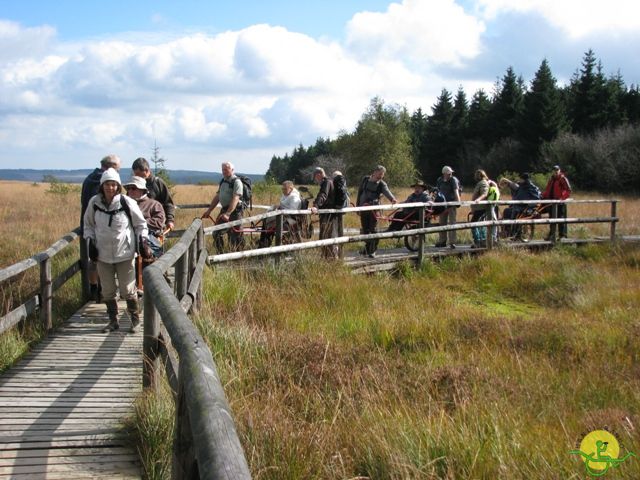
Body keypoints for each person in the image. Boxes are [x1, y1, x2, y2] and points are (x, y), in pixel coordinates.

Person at [83, 168, 151, 333]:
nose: (110, 188)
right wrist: (90, 242)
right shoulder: (94, 203)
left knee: (128, 290)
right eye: (107, 184)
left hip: (124, 254)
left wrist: (143, 241)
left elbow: (141, 224)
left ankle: (135, 321)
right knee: (108, 291)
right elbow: (88, 226)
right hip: (102, 254)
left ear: (118, 186)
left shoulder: (126, 202)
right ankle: (113, 321)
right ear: (102, 185)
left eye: (113, 184)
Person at [80, 154, 121, 302]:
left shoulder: (89, 178)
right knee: (100, 260)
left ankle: (95, 290)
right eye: (118, 169)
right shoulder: (100, 181)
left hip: (88, 225)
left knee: (93, 260)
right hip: (98, 227)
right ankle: (100, 291)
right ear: (111, 168)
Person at [202, 162, 245, 253]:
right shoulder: (223, 181)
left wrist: (228, 213)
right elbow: (218, 196)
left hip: (235, 211)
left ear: (232, 170)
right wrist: (209, 210)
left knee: (235, 235)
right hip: (224, 210)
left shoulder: (237, 182)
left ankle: (237, 257)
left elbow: (236, 198)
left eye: (226, 169)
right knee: (216, 232)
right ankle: (220, 254)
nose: (224, 171)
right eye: (223, 169)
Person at [356, 165, 397, 257]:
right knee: (365, 230)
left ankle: (373, 250)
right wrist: (358, 207)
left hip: (374, 210)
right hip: (363, 208)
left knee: (373, 229)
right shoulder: (365, 179)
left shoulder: (382, 184)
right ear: (374, 172)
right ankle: (367, 249)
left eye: (382, 175)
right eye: (379, 174)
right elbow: (360, 193)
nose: (381, 176)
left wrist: (392, 199)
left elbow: (387, 192)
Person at [123, 176, 166, 257]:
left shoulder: (154, 204)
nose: (130, 191)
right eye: (128, 188)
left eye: (133, 188)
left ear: (142, 190)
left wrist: (139, 223)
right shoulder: (123, 204)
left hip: (148, 237)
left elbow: (159, 222)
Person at [132, 157, 176, 231]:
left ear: (146, 171)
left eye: (138, 174)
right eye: (135, 174)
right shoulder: (133, 186)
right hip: (136, 227)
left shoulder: (158, 183)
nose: (136, 177)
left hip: (155, 227)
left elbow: (168, 203)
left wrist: (170, 220)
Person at [258, 180, 302, 248]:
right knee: (266, 220)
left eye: (285, 189)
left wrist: (281, 210)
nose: (283, 190)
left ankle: (264, 245)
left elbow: (292, 211)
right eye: (282, 189)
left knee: (269, 224)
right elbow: (283, 205)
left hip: (289, 219)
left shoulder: (294, 197)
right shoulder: (286, 195)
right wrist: (278, 207)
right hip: (282, 216)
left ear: (291, 188)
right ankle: (263, 244)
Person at [499, 172, 541, 238]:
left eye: (521, 179)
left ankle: (515, 233)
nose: (520, 180)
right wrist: (506, 181)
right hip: (518, 205)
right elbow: (513, 186)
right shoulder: (521, 185)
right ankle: (507, 231)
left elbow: (536, 198)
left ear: (523, 179)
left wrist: (530, 205)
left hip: (525, 207)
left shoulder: (531, 187)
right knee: (507, 211)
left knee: (515, 213)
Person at [310, 167, 338, 259]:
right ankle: (328, 256)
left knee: (327, 235)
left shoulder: (326, 182)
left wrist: (316, 206)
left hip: (328, 214)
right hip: (330, 213)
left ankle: (330, 257)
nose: (315, 180)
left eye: (315, 178)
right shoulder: (330, 181)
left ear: (319, 175)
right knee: (328, 234)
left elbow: (323, 195)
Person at [541, 165, 572, 239]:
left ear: (559, 170)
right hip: (551, 202)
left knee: (561, 219)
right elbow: (548, 190)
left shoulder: (563, 178)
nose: (555, 171)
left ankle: (562, 236)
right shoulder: (551, 179)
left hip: (560, 203)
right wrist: (543, 196)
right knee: (551, 219)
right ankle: (552, 235)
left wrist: (561, 198)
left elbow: (568, 190)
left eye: (557, 170)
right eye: (554, 170)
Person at [435, 166, 461, 248]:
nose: (450, 175)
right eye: (448, 173)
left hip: (452, 203)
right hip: (442, 204)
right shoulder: (440, 180)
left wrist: (458, 202)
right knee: (442, 222)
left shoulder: (453, 180)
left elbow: (456, 191)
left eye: (451, 173)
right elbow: (438, 191)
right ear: (444, 174)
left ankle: (452, 242)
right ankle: (442, 241)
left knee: (452, 223)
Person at [469, 169, 490, 248]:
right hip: (477, 208)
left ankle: (478, 241)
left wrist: (478, 199)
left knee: (474, 224)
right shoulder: (481, 183)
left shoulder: (483, 183)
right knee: (479, 224)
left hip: (481, 207)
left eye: (477, 175)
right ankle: (481, 241)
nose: (475, 177)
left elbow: (484, 194)